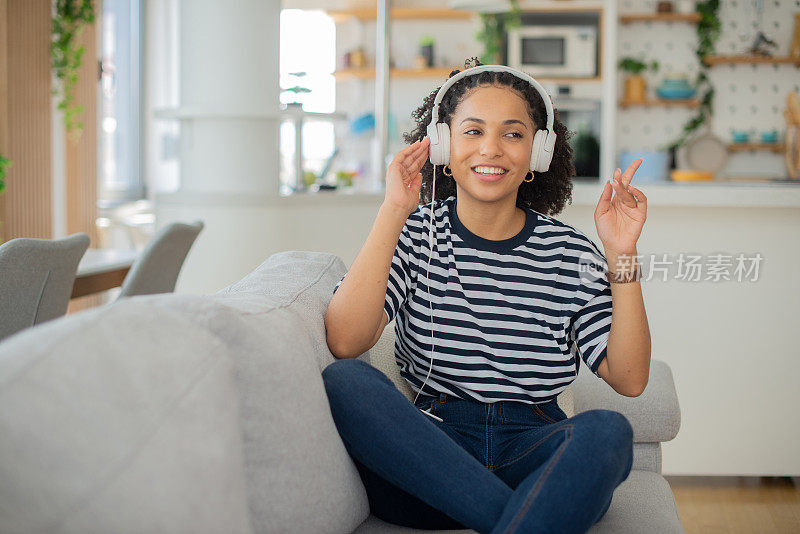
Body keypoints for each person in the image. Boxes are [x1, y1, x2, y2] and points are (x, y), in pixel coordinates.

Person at [323, 58, 651, 534]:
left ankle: (507, 513)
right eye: (473, 131)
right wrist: (394, 210)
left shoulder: (569, 251)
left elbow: (629, 378)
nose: (491, 149)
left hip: (534, 447)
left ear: (538, 152)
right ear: (442, 146)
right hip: (434, 456)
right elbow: (346, 341)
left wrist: (623, 253)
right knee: (347, 381)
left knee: (608, 430)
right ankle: (531, 516)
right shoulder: (413, 233)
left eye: (513, 134)